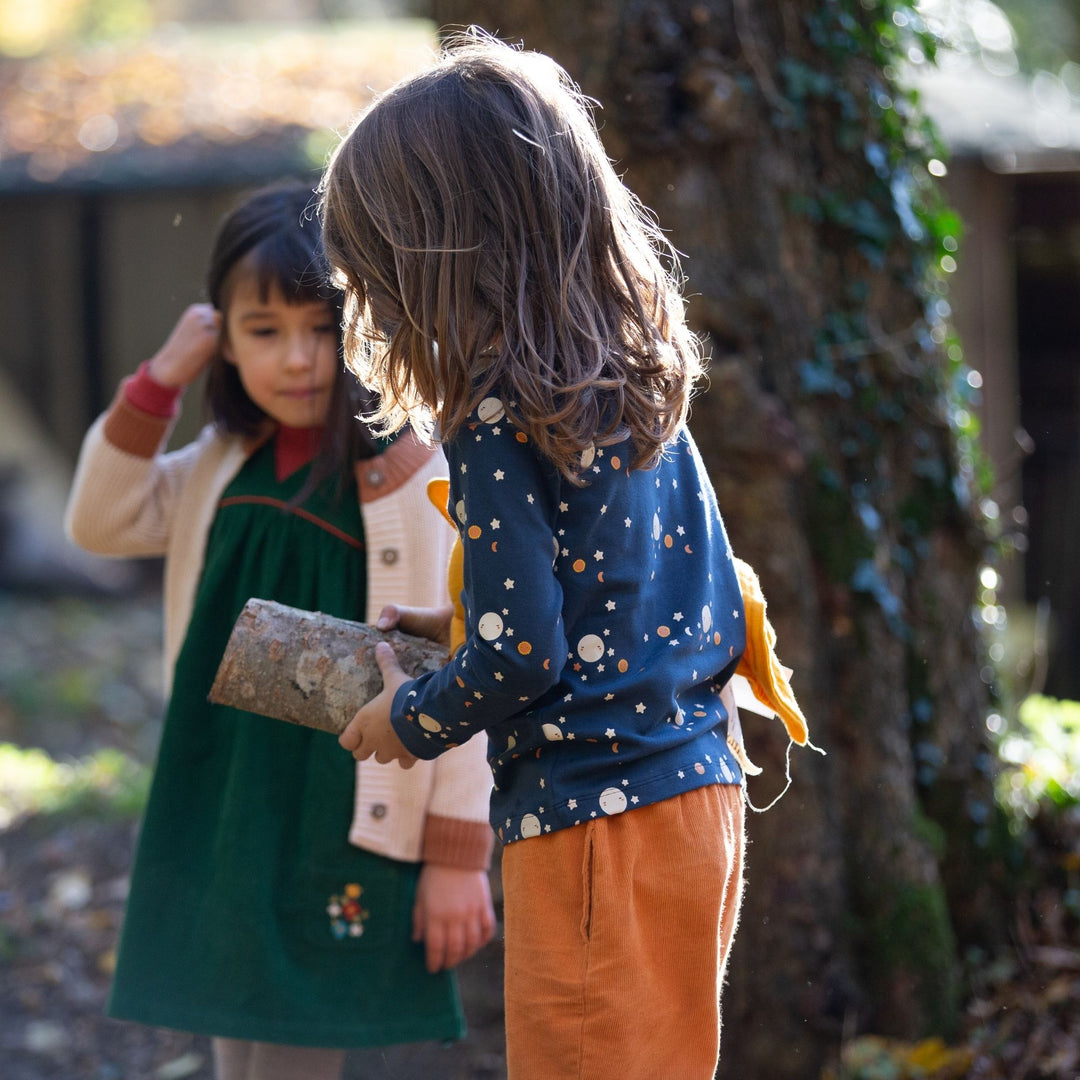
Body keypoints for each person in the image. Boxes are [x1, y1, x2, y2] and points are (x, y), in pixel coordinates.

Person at [319, 32, 812, 1080]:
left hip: (593, 817)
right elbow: (618, 599)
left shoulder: (497, 419)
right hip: (698, 796)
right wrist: (447, 633)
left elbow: (526, 656)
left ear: (438, 258)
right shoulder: (631, 380)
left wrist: (409, 720)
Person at [64, 182, 495, 1080]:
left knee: (297, 1054)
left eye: (323, 329)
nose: (297, 360)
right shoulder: (223, 462)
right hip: (225, 796)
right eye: (263, 331)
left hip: (341, 809)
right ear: (223, 335)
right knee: (235, 1039)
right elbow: (99, 524)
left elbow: (470, 662)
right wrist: (160, 381)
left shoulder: (420, 479)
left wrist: (458, 855)